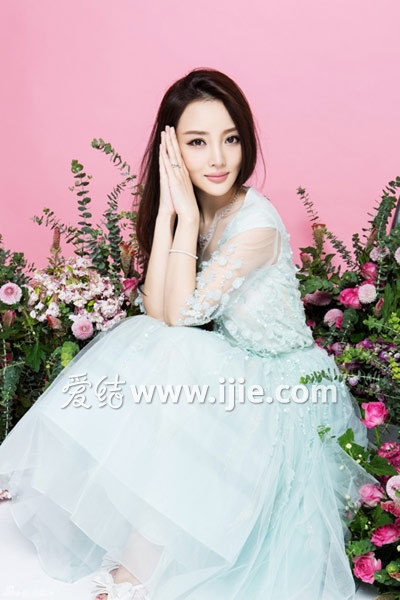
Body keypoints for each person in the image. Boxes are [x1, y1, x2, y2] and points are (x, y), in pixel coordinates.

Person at [0, 68, 371, 600]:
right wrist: (171, 215)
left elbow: (180, 317)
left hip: (288, 387)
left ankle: (139, 567)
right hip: (238, 368)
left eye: (231, 139)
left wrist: (187, 219)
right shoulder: (202, 209)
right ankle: (143, 551)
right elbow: (155, 310)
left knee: (171, 349)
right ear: (171, 150)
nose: (218, 158)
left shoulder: (256, 226)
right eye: (197, 142)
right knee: (147, 338)